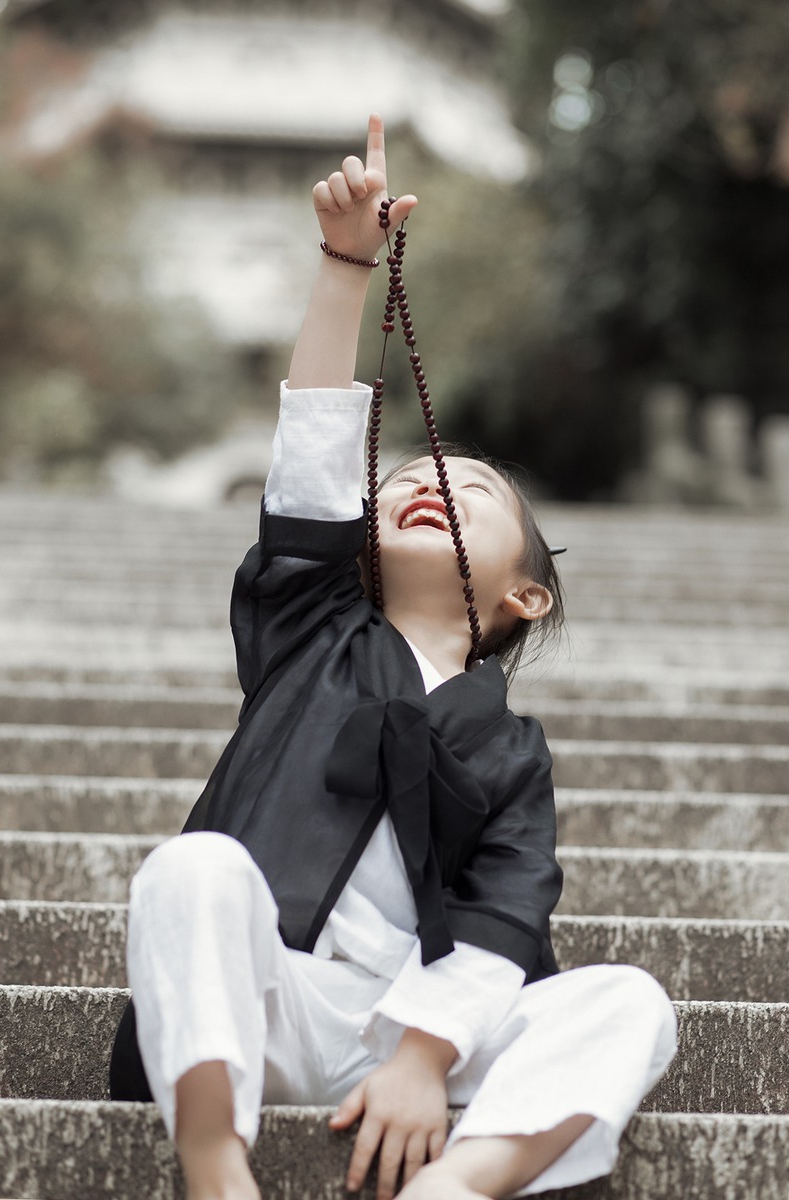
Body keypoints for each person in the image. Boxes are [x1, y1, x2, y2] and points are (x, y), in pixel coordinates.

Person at [109, 114, 677, 1200]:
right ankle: (215, 1164)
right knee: (190, 870)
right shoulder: (310, 631)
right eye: (414, 475)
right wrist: (345, 267)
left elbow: (506, 910)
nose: (428, 480)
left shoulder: (509, 750)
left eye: (469, 490)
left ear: (524, 592)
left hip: (413, 1039)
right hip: (263, 1007)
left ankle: (455, 1185)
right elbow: (317, 459)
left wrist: (424, 1059)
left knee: (630, 1003)